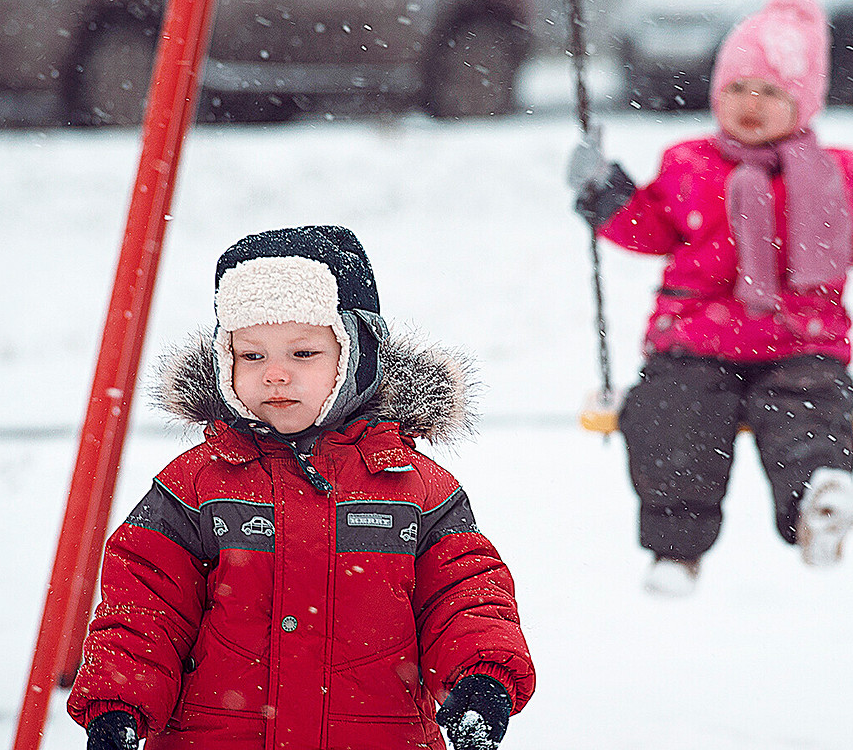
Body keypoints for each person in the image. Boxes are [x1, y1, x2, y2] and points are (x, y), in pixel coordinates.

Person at [67, 226, 535, 749]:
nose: (275, 375)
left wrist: (481, 677)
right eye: (252, 356)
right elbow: (143, 606)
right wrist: (119, 703)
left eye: (303, 354)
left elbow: (464, 593)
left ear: (359, 355)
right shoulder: (197, 485)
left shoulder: (413, 490)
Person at [568, 0, 853, 595]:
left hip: (802, 344)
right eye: (737, 88)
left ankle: (816, 507)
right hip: (694, 339)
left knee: (812, 413)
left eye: (771, 91)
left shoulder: (835, 174)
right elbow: (651, 227)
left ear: (805, 101)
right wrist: (606, 197)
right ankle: (674, 550)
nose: (751, 103)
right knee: (669, 420)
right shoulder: (688, 163)